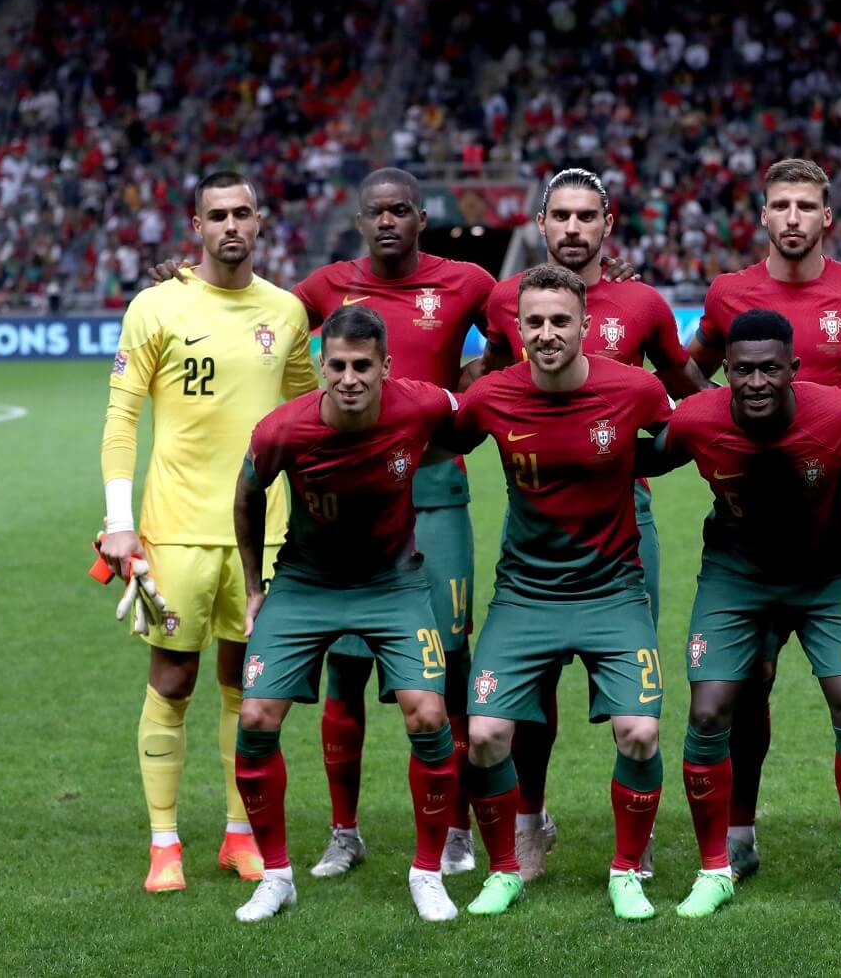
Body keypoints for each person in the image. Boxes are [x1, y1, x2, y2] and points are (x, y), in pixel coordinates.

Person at [642, 309, 841, 918]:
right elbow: (641, 459)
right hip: (735, 578)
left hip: (826, 576)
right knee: (709, 710)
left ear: (793, 368)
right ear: (725, 370)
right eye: (743, 370)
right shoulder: (696, 419)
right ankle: (716, 867)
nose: (757, 382)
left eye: (771, 369)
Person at [469, 168, 711, 880]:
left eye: (586, 217)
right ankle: (529, 821)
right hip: (536, 514)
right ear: (540, 224)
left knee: (632, 690)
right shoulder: (505, 299)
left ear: (607, 224)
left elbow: (687, 393)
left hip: (624, 512)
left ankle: (633, 841)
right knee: (530, 687)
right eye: (561, 216)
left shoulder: (642, 302)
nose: (573, 228)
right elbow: (490, 378)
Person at [688, 157, 841, 884]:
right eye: (780, 205)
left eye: (805, 206)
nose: (792, 217)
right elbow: (689, 372)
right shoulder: (728, 293)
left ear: (827, 216)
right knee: (747, 679)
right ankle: (739, 832)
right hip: (751, 507)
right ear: (763, 214)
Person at [99, 171, 319, 894]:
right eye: (217, 214)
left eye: (242, 213)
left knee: (245, 685)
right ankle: (164, 842)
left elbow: (309, 419)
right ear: (197, 225)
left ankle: (238, 835)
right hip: (175, 530)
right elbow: (122, 418)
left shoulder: (286, 311)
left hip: (263, 535)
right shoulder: (155, 306)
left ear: (260, 222)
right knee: (173, 677)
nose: (231, 225)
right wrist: (120, 524)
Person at [446, 264, 673, 921]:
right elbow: (436, 434)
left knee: (639, 732)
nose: (547, 334)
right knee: (485, 734)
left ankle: (626, 870)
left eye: (560, 321)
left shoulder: (634, 389)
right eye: (535, 322)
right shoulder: (492, 395)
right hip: (525, 594)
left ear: (585, 326)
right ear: (518, 329)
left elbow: (683, 436)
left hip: (613, 591)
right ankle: (504, 869)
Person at [290, 167, 493, 880]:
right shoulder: (325, 287)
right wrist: (190, 279)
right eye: (375, 211)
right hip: (354, 509)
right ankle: (343, 833)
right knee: (345, 670)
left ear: (421, 217)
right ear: (358, 220)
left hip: (436, 498)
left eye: (400, 210)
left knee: (449, 668)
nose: (387, 222)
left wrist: (472, 378)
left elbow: (526, 328)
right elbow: (257, 322)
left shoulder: (466, 283)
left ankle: (456, 829)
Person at [230, 305, 464, 923]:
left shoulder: (420, 404)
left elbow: (474, 417)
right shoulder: (282, 430)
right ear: (322, 367)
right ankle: (276, 876)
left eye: (363, 365)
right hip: (306, 583)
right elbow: (247, 496)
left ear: (386, 367)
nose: (350, 378)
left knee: (428, 714)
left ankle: (427, 872)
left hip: (393, 583)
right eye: (337, 365)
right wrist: (255, 588)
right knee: (255, 715)